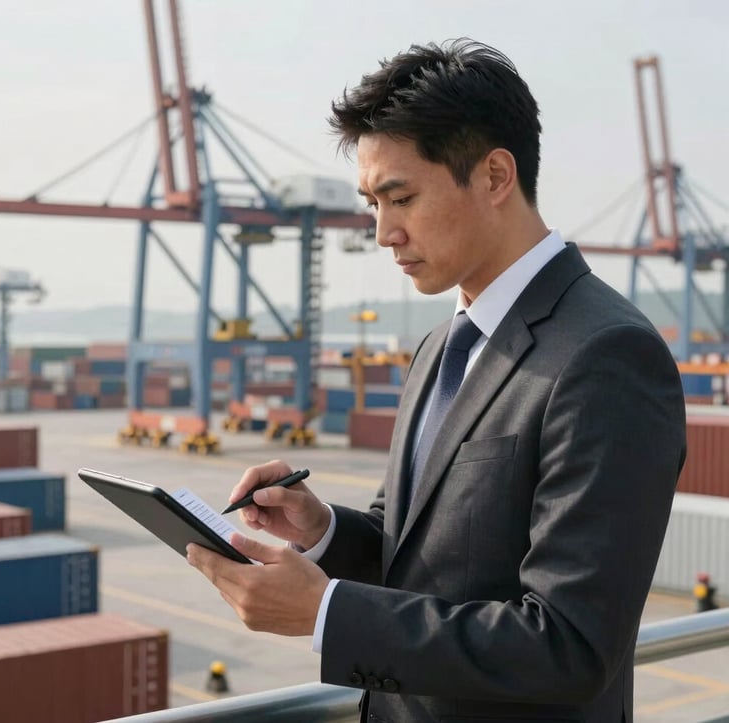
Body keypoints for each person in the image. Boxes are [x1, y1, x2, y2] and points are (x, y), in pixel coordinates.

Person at [187, 38, 687, 722]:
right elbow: (415, 551)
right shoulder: (438, 348)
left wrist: (326, 612)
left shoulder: (607, 354)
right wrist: (323, 529)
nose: (383, 232)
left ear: (495, 176)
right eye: (372, 203)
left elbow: (570, 645)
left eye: (401, 198)